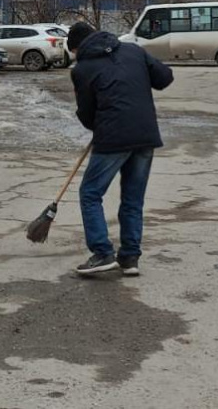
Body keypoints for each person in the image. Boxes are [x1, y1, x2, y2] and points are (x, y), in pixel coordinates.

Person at [66, 21, 173, 277]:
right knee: (133, 198)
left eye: (74, 53)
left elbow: (86, 114)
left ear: (78, 48)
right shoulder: (133, 51)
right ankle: (130, 257)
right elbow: (164, 78)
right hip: (145, 134)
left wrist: (100, 125)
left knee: (90, 193)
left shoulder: (82, 69)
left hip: (113, 137)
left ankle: (102, 252)